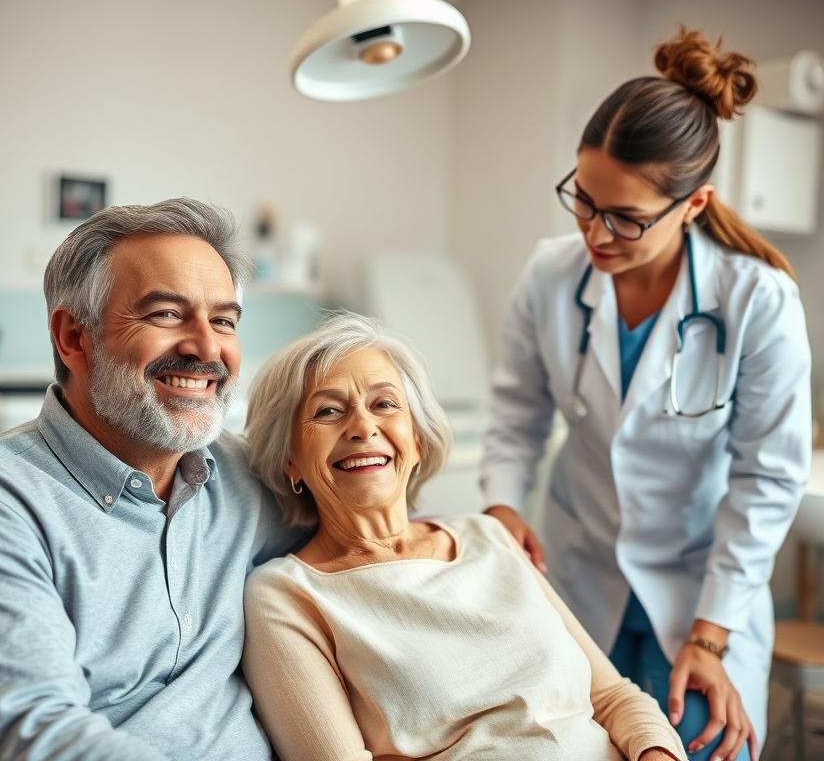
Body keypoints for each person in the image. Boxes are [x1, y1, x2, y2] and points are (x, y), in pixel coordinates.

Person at [480, 28, 812, 761]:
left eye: (627, 218)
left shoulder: (756, 299)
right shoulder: (551, 274)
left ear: (694, 204)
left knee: (703, 746)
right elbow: (516, 412)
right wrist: (503, 504)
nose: (596, 233)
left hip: (702, 590)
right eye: (584, 200)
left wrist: (712, 635)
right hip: (580, 567)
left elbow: (768, 478)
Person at [0, 198, 308, 760]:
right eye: (165, 314)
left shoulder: (245, 476)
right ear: (74, 337)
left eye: (223, 320)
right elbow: (35, 740)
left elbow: (376, 546)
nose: (207, 348)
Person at [241, 313, 688, 761]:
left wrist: (658, 753)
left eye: (384, 404)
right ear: (289, 461)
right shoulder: (286, 594)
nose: (362, 427)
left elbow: (612, 697)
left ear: (416, 439)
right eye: (328, 411)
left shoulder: (487, 536)